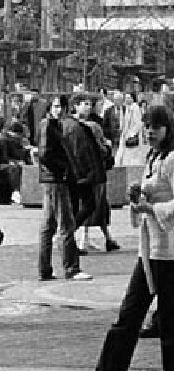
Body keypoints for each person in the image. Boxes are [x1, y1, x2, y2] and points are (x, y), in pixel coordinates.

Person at [70, 103, 174, 371]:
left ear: (168, 129)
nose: (151, 132)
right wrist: (140, 195)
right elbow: (158, 196)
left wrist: (152, 208)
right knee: (129, 317)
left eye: (156, 127)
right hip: (150, 250)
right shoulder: (155, 158)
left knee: (172, 321)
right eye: (148, 127)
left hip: (167, 252)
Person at [38, 95, 91, 283]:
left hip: (51, 178)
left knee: (48, 225)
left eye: (61, 106)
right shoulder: (49, 126)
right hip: (56, 179)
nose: (59, 110)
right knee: (65, 224)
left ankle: (45, 269)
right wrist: (64, 168)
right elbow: (45, 154)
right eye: (55, 106)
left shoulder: (51, 125)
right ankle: (71, 267)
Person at [66, 94, 120, 253]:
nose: (89, 107)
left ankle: (104, 237)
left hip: (79, 171)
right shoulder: (92, 127)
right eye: (86, 103)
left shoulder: (69, 125)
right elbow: (100, 149)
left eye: (90, 104)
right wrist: (107, 147)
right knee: (94, 203)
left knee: (97, 203)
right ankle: (75, 236)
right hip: (93, 171)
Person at [115, 88, 148, 189]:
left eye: (128, 97)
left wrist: (131, 134)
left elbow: (138, 123)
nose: (126, 99)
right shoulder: (127, 108)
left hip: (132, 140)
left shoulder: (135, 108)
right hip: (125, 138)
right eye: (126, 97)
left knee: (132, 161)